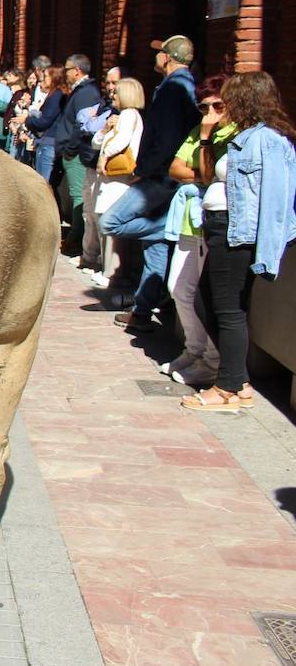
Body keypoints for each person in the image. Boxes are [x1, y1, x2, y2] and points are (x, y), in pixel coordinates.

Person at [182, 71, 296, 410]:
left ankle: (228, 388)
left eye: (229, 98)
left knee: (228, 308)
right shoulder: (245, 136)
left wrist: (269, 250)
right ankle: (238, 379)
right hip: (221, 229)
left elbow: (277, 198)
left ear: (245, 99)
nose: (223, 105)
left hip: (238, 235)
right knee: (209, 300)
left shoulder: (268, 141)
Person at [101, 35, 200, 332]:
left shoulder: (174, 89)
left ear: (168, 58)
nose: (155, 57)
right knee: (154, 247)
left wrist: (145, 168)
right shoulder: (183, 85)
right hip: (167, 175)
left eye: (159, 53)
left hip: (160, 176)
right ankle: (142, 311)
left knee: (111, 222)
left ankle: (165, 228)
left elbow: (167, 137)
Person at [161, 74, 234, 384]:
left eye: (218, 106)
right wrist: (201, 174)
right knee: (177, 287)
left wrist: (205, 139)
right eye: (204, 108)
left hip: (214, 223)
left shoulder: (231, 135)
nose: (210, 114)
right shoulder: (198, 130)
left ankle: (213, 360)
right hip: (190, 219)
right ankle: (195, 350)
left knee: (205, 296)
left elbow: (209, 173)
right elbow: (175, 167)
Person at [86, 77, 144, 287]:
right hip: (109, 179)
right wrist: (104, 130)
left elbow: (121, 142)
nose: (112, 96)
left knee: (110, 223)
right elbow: (95, 142)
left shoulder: (130, 115)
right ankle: (106, 266)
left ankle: (111, 272)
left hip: (118, 178)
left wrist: (104, 156)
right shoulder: (118, 116)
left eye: (116, 93)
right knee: (103, 220)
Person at [53, 54, 102, 255]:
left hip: (76, 153)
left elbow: (82, 126)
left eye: (67, 69)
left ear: (77, 70)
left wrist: (70, 150)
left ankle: (77, 238)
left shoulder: (86, 92)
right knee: (73, 194)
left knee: (78, 196)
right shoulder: (80, 91)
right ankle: (76, 235)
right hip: (69, 151)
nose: (65, 73)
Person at [77, 67, 123, 273]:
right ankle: (89, 257)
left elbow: (94, 129)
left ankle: (107, 265)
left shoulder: (127, 114)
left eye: (115, 83)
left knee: (103, 215)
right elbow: (88, 127)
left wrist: (95, 124)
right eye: (109, 83)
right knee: (90, 212)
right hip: (93, 164)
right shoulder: (108, 107)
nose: (111, 88)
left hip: (111, 172)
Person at [23, 65, 66, 178]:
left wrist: (27, 120)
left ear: (55, 77)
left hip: (49, 143)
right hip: (45, 142)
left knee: (43, 182)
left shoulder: (57, 95)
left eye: (46, 76)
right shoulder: (54, 94)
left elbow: (44, 121)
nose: (43, 79)